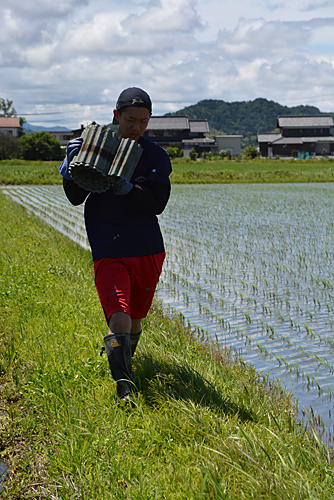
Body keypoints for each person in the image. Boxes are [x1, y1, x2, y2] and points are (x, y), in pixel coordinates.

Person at [59, 87, 172, 406]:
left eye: (144, 122)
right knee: (119, 313)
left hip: (147, 247)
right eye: (131, 120)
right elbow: (74, 196)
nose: (137, 128)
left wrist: (129, 190)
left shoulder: (155, 156)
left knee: (136, 317)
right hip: (108, 245)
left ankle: (123, 359)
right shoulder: (94, 148)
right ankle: (125, 386)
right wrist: (72, 167)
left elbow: (157, 203)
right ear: (116, 116)